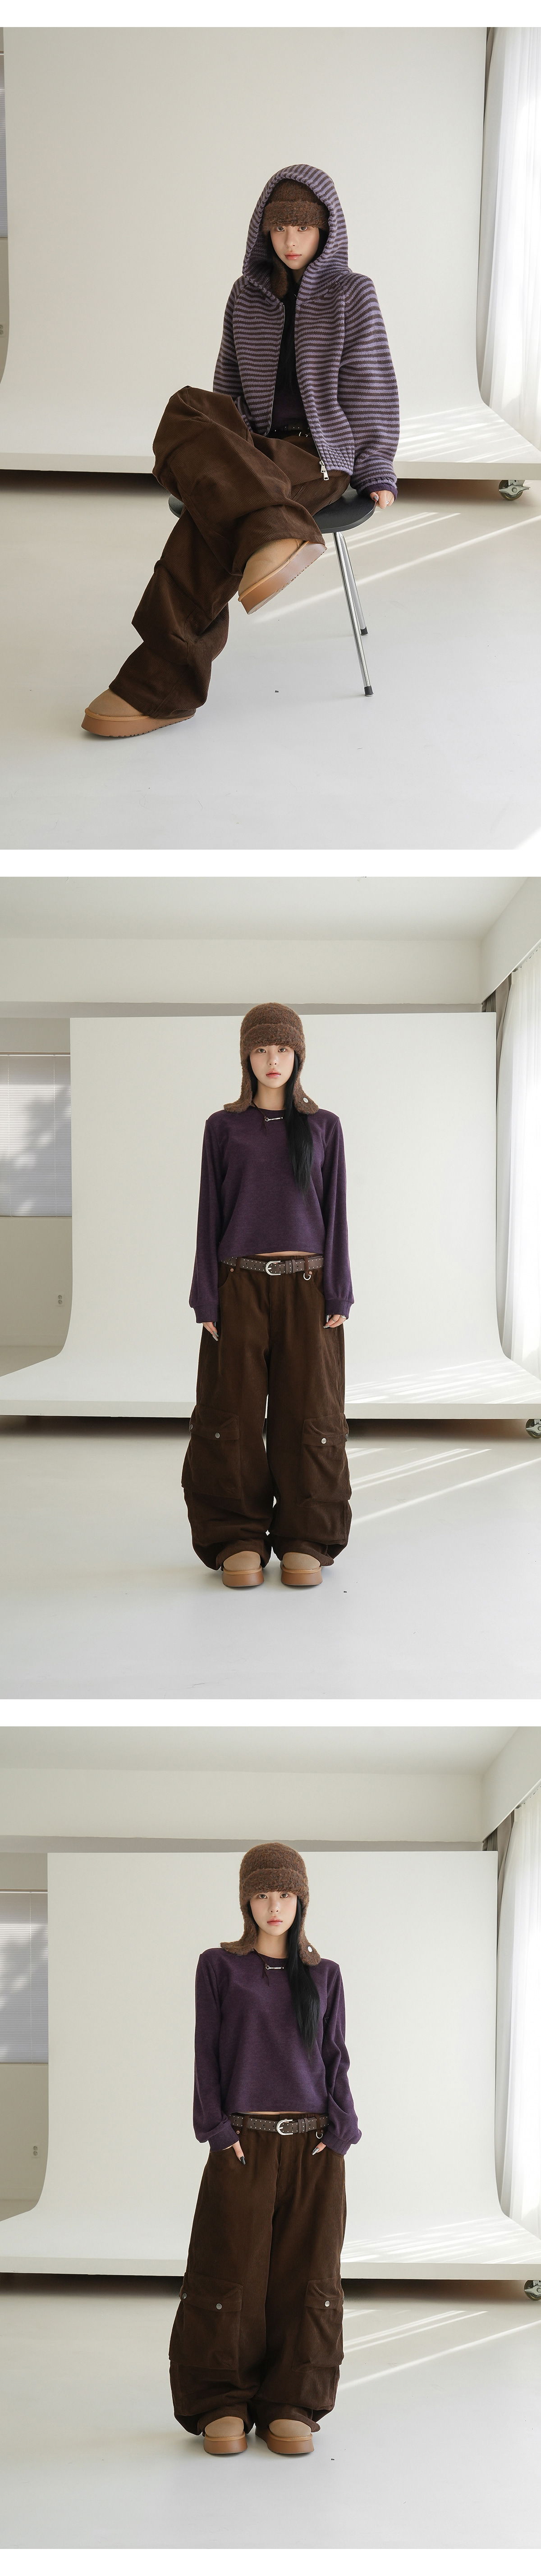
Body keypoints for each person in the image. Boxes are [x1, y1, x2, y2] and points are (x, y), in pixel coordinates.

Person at [82, 161, 399, 737]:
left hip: (319, 453)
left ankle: (161, 687)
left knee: (208, 526)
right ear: (264, 230)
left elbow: (371, 386)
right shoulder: (246, 295)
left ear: (326, 230)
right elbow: (225, 386)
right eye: (280, 228)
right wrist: (223, 446)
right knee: (188, 405)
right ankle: (273, 532)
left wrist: (377, 467)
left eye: (303, 228)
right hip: (255, 450)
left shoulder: (353, 294)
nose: (291, 241)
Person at [169, 1841, 361, 2457]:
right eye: (261, 1893)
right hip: (242, 2142)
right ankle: (222, 2398)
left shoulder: (325, 1974)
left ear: (302, 1899)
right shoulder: (219, 1967)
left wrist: (342, 2132)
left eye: (285, 1893)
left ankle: (292, 2400)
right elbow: (205, 2055)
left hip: (314, 2146)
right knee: (229, 2269)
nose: (274, 1905)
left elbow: (335, 2058)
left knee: (309, 2275)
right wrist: (217, 2132)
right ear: (245, 1900)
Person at [182, 1002, 353, 1588]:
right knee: (230, 1413)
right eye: (260, 1049)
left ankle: (308, 1534)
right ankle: (238, 1535)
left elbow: (336, 1214)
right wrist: (207, 1297)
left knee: (310, 1414)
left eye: (282, 1048)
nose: (272, 1060)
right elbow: (209, 1215)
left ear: (298, 1054)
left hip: (309, 1288)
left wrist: (339, 1291)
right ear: (246, 1057)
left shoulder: (324, 1126)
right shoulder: (223, 1127)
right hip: (239, 1285)